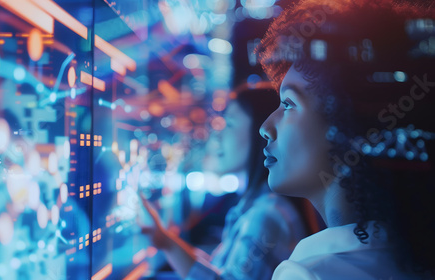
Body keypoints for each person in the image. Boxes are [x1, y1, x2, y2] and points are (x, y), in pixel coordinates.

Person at [256, 0, 435, 279]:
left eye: (288, 103)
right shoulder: (412, 256)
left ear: (348, 122)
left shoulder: (308, 274)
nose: (265, 127)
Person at [140, 84, 319, 280]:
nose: (217, 135)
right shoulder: (258, 206)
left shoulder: (267, 215)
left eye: (230, 124)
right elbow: (222, 270)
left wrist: (163, 240)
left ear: (261, 132)